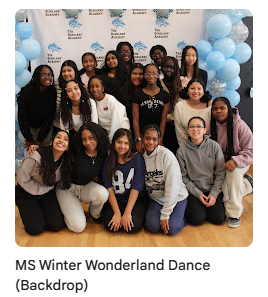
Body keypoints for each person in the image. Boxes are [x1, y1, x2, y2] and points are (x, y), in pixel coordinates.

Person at [207, 97, 253, 228]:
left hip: (240, 160)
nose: (219, 111)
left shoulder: (240, 125)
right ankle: (248, 185)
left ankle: (234, 214)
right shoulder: (209, 124)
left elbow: (251, 150)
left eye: (222, 108)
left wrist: (236, 161)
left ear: (228, 108)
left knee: (233, 175)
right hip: (219, 162)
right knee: (226, 195)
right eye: (215, 108)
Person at [15, 130, 72, 235]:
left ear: (67, 147)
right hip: (25, 191)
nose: (61, 140)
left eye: (65, 139)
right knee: (35, 229)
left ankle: (39, 209)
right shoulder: (36, 155)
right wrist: (40, 190)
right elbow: (21, 178)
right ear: (51, 142)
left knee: (56, 225)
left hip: (46, 192)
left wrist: (44, 190)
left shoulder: (65, 161)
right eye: (58, 137)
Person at [56, 122, 110, 233]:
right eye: (83, 139)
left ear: (98, 137)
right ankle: (66, 210)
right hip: (67, 189)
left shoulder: (103, 154)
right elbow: (55, 150)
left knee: (102, 193)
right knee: (78, 227)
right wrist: (36, 146)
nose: (87, 142)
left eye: (91, 138)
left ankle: (94, 213)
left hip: (85, 187)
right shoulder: (74, 150)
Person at [177, 117, 226, 226]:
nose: (195, 129)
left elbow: (220, 173)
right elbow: (183, 177)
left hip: (212, 189)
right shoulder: (181, 151)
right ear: (188, 130)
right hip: (194, 191)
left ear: (204, 130)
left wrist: (213, 194)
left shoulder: (214, 146)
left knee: (218, 219)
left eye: (199, 126)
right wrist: (198, 194)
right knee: (196, 220)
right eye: (192, 127)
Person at [141, 124, 188, 235]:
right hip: (156, 199)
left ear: (159, 140)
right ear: (142, 138)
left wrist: (165, 214)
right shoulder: (141, 157)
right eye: (147, 138)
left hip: (177, 197)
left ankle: (184, 218)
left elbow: (173, 186)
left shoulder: (167, 155)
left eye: (154, 139)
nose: (151, 142)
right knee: (152, 227)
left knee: (171, 229)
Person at [101, 128, 148, 233]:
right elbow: (109, 188)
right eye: (119, 142)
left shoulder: (137, 159)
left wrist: (127, 213)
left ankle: (130, 214)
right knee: (110, 225)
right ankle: (119, 215)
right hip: (116, 199)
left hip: (134, 200)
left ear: (130, 145)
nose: (122, 146)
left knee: (133, 227)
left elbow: (136, 187)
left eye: (126, 143)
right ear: (114, 143)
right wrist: (117, 213)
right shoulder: (108, 161)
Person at [17, 65, 56, 155]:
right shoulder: (26, 92)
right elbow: (22, 116)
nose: (47, 77)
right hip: (29, 128)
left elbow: (50, 115)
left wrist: (41, 139)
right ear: (37, 76)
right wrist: (29, 138)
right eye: (43, 75)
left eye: (50, 75)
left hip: (45, 129)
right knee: (31, 156)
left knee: (46, 156)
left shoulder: (52, 91)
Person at [132, 63, 169, 152]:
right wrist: (138, 139)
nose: (151, 76)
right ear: (144, 76)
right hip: (142, 135)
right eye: (148, 73)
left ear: (158, 75)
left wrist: (160, 138)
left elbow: (163, 119)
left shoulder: (165, 95)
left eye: (154, 73)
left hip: (157, 136)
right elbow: (135, 119)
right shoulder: (138, 95)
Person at [88, 75, 130, 142]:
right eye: (91, 87)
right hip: (108, 134)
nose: (94, 89)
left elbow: (117, 121)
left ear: (102, 88)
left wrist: (112, 139)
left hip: (121, 131)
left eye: (97, 86)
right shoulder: (93, 103)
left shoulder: (110, 100)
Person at [174, 78, 212, 146]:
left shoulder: (210, 106)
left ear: (203, 91)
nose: (196, 91)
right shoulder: (179, 106)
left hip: (208, 147)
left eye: (199, 89)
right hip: (186, 147)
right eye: (192, 88)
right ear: (188, 91)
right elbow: (180, 131)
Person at [60, 79, 98, 143]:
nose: (74, 92)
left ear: (80, 89)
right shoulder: (65, 107)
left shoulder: (90, 103)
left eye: (76, 88)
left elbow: (94, 125)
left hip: (90, 136)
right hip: (74, 137)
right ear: (66, 94)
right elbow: (64, 129)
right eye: (69, 91)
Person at [53, 60, 82, 132]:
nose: (66, 73)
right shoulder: (56, 85)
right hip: (58, 125)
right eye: (63, 71)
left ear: (75, 71)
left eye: (69, 70)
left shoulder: (81, 87)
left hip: (78, 127)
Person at [160, 56, 181, 153]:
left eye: (171, 67)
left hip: (178, 127)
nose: (168, 70)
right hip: (163, 126)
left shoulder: (182, 85)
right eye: (165, 67)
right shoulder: (158, 84)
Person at [121, 63, 144, 133]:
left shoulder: (147, 91)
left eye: (140, 74)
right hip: (128, 129)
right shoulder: (123, 91)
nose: (137, 76)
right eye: (134, 73)